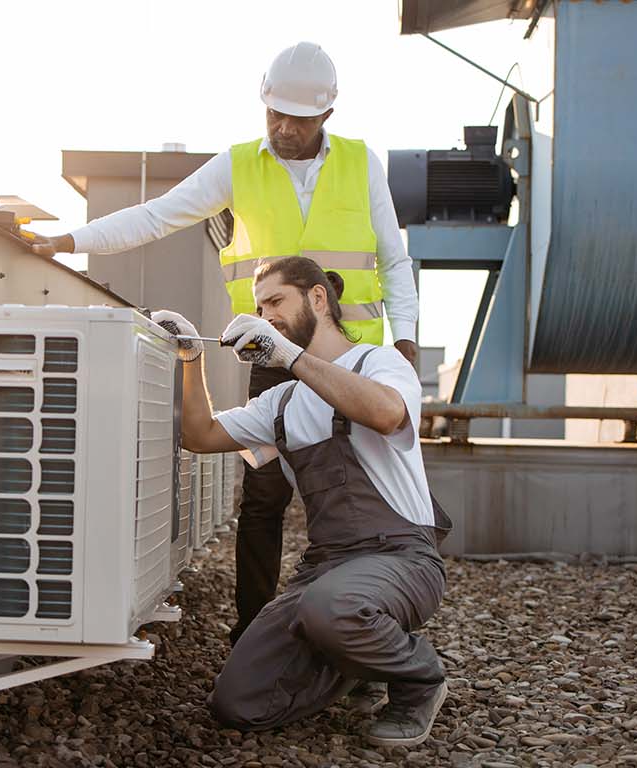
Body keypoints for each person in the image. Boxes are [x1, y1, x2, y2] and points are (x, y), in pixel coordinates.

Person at [20, 42, 420, 707]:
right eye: (275, 113)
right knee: (262, 501)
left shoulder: (361, 162)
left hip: (356, 369)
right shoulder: (237, 165)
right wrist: (68, 241)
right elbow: (156, 216)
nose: (284, 128)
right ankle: (251, 639)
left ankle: (374, 664)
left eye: (298, 117)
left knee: (362, 511)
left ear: (326, 113)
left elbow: (395, 259)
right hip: (274, 369)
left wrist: (404, 345)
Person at [150, 256, 449, 747]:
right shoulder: (283, 401)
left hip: (401, 557)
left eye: (275, 302)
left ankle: (419, 680)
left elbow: (386, 413)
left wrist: (289, 356)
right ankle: (356, 659)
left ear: (316, 298)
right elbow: (200, 435)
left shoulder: (379, 362)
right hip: (326, 568)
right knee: (237, 702)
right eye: (259, 307)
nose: (265, 316)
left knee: (332, 608)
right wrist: (189, 358)